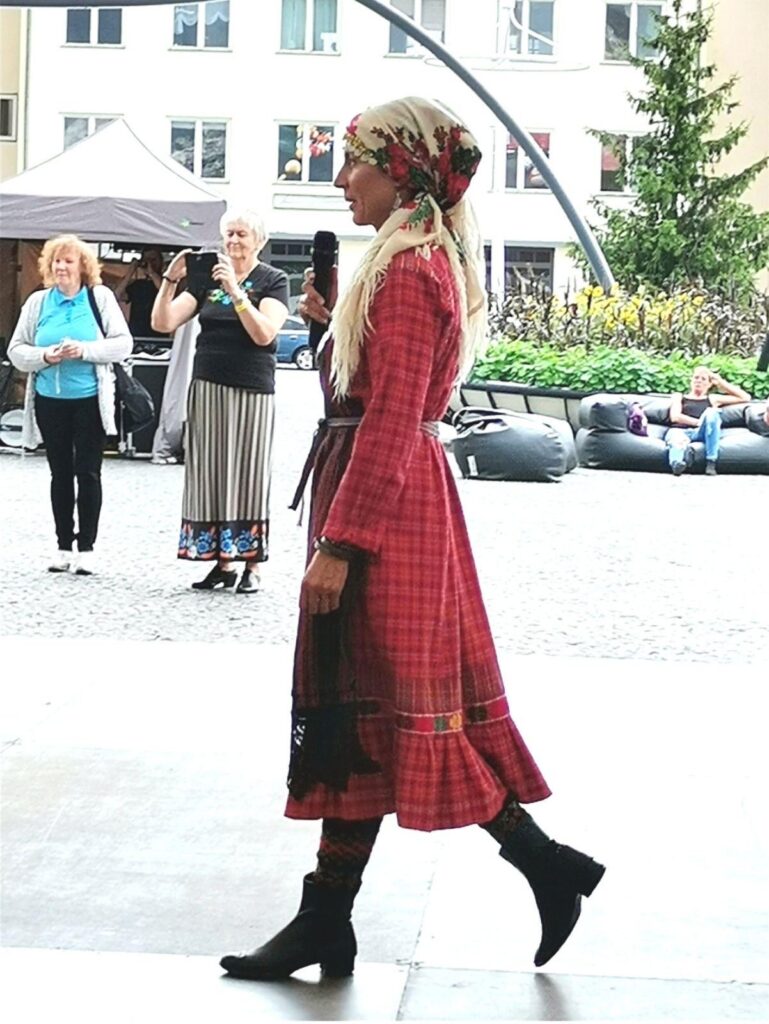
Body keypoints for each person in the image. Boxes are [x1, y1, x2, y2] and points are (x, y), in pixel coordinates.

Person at [219, 97, 605, 982]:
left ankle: (542, 866)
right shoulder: (405, 266)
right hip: (388, 501)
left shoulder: (409, 271)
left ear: (398, 168)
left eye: (352, 160)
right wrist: (327, 329)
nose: (339, 176)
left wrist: (342, 545)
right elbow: (373, 397)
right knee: (364, 714)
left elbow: (392, 418)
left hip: (386, 516)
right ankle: (332, 918)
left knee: (397, 712)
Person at [150, 209, 289, 593]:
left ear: (258, 240)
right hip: (208, 385)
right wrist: (170, 280)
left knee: (248, 470)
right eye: (228, 234)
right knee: (210, 470)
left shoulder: (273, 280)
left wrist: (236, 293)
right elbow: (163, 323)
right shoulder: (206, 279)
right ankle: (221, 560)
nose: (232, 242)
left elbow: (264, 335)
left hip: (251, 388)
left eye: (241, 234)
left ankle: (252, 563)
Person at [8, 233, 132, 574]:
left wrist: (85, 350)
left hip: (90, 400)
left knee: (88, 472)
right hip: (50, 400)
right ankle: (63, 545)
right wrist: (46, 355)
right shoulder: (38, 303)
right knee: (59, 473)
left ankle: (87, 548)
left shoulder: (99, 298)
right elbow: (16, 350)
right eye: (56, 261)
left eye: (68, 261)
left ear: (83, 266)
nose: (61, 267)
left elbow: (123, 344)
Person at [665, 365, 751, 476]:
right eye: (696, 378)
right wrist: (698, 422)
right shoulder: (679, 397)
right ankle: (676, 464)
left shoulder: (713, 399)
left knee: (712, 413)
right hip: (680, 430)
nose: (698, 381)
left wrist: (720, 381)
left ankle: (711, 461)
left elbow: (745, 397)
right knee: (677, 440)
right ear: (691, 380)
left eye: (703, 379)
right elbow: (675, 417)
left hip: (703, 431)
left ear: (709, 384)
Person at [114, 248, 168, 343]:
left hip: (159, 335)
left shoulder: (167, 283)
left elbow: (166, 294)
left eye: (153, 260)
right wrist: (130, 272)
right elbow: (116, 296)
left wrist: (152, 273)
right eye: (146, 260)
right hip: (137, 334)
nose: (150, 263)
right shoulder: (138, 284)